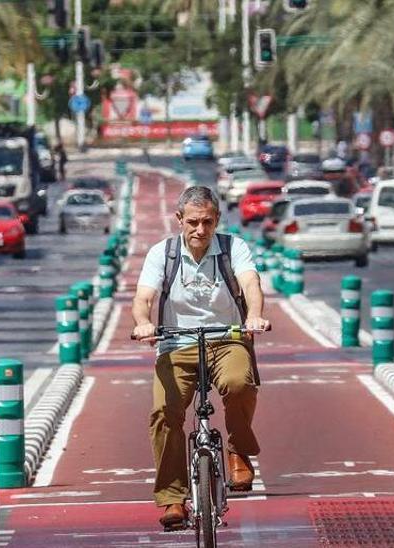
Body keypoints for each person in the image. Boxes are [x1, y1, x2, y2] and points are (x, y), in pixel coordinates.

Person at [131, 185, 271, 530]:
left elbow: (251, 284)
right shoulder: (161, 254)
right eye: (193, 222)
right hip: (176, 344)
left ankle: (238, 448)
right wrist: (144, 324)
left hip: (227, 339)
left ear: (217, 220)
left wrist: (253, 315)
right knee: (165, 412)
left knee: (239, 383)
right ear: (179, 219)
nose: (200, 230)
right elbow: (143, 296)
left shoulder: (232, 247)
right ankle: (172, 498)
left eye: (207, 222)